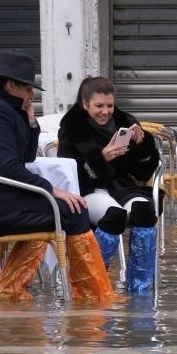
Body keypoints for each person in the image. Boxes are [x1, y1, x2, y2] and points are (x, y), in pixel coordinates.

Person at [0, 52, 113, 302]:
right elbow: (9, 167)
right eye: (28, 87)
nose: (32, 94)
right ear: (10, 85)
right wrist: (51, 190)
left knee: (60, 212)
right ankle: (93, 296)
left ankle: (11, 288)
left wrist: (30, 123)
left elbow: (26, 158)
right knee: (73, 211)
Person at [57, 76, 161, 295]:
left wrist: (142, 146)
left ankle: (140, 290)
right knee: (114, 216)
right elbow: (68, 173)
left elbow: (143, 172)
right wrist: (100, 159)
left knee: (145, 211)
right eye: (99, 106)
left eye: (109, 105)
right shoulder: (72, 128)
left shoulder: (125, 121)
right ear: (85, 104)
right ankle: (92, 285)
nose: (105, 111)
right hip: (89, 188)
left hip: (121, 186)